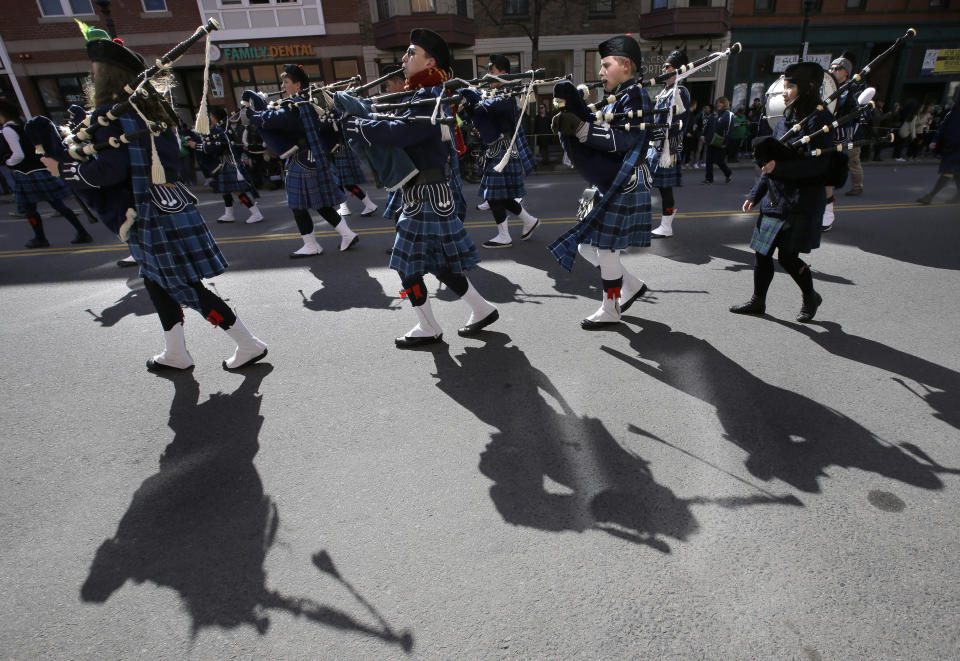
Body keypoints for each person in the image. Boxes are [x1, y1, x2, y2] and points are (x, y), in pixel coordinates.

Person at [42, 23, 266, 370]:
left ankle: (247, 342)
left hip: (145, 211)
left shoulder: (113, 114)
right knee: (155, 280)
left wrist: (68, 171)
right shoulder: (154, 111)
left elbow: (112, 169)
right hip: (169, 201)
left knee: (183, 285)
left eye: (95, 72)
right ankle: (175, 351)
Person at [343, 29, 498, 346]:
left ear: (430, 60)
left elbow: (402, 133)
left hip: (427, 195)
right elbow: (400, 126)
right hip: (423, 194)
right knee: (437, 264)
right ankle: (482, 309)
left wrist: (360, 125)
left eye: (411, 53)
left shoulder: (431, 94)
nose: (403, 58)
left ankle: (428, 326)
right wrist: (364, 114)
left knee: (406, 266)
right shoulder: (423, 93)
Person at [548, 34, 652, 328]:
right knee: (585, 247)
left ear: (626, 65)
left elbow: (625, 139)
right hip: (612, 181)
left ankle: (611, 307)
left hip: (625, 180)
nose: (601, 71)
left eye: (606, 65)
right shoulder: (620, 95)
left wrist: (582, 129)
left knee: (606, 250)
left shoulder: (636, 95)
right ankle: (631, 285)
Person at [729, 62, 835, 323]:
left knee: (788, 257)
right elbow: (770, 163)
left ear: (808, 88)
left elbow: (821, 166)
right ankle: (758, 301)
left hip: (801, 202)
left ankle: (810, 296)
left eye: (790, 87)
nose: (784, 92)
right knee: (761, 252)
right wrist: (755, 194)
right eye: (784, 86)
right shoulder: (787, 118)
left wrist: (783, 167)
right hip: (775, 199)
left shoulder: (821, 122)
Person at [248, 63, 358, 257]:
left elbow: (271, 119)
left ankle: (311, 245)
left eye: (286, 82)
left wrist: (253, 110)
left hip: (302, 162)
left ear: (298, 85)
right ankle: (347, 234)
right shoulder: (304, 104)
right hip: (311, 160)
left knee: (298, 205)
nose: (283, 85)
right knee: (320, 203)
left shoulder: (297, 107)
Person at [459, 54, 539, 248]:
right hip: (496, 148)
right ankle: (528, 221)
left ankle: (504, 236)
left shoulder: (509, 92)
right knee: (500, 195)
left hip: (504, 148)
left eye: (491, 71)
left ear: (503, 72)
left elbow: (489, 108)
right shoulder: (495, 92)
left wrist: (473, 103)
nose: (488, 75)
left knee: (494, 194)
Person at [0, 101, 93, 248]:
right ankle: (81, 231)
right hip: (41, 169)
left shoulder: (8, 130)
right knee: (58, 205)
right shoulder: (22, 124)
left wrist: (9, 162)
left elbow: (18, 154)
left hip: (26, 173)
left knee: (30, 210)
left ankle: (40, 237)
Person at [188, 106, 264, 224]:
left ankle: (256, 213)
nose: (210, 118)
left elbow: (217, 147)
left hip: (230, 162)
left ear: (216, 117)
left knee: (237, 191)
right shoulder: (220, 128)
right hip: (226, 162)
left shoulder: (220, 130)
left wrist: (197, 146)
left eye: (212, 116)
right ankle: (229, 214)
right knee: (225, 190)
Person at [648, 50, 691, 239]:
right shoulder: (666, 90)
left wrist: (663, 137)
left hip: (668, 145)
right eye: (664, 66)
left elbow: (680, 120)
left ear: (677, 70)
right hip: (657, 142)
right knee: (656, 185)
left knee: (665, 188)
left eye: (668, 67)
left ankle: (667, 226)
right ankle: (667, 219)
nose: (663, 69)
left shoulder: (680, 91)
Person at [917, 93, 960, 204]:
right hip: (951, 147)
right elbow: (943, 126)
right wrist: (936, 140)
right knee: (955, 173)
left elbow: (944, 126)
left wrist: (937, 141)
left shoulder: (953, 112)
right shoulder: (953, 112)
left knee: (949, 172)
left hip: (954, 148)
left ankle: (930, 196)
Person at [333, 141, 378, 217]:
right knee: (344, 184)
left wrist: (330, 152)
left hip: (338, 150)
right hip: (340, 150)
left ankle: (368, 204)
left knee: (342, 183)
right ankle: (345, 207)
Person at [703, 96, 733, 184]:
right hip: (711, 140)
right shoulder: (715, 114)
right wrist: (704, 135)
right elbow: (708, 125)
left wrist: (725, 142)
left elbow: (729, 130)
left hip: (720, 141)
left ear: (725, 104)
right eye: (718, 103)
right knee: (708, 160)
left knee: (719, 161)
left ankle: (728, 173)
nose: (718, 104)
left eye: (721, 102)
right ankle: (709, 178)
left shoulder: (728, 114)